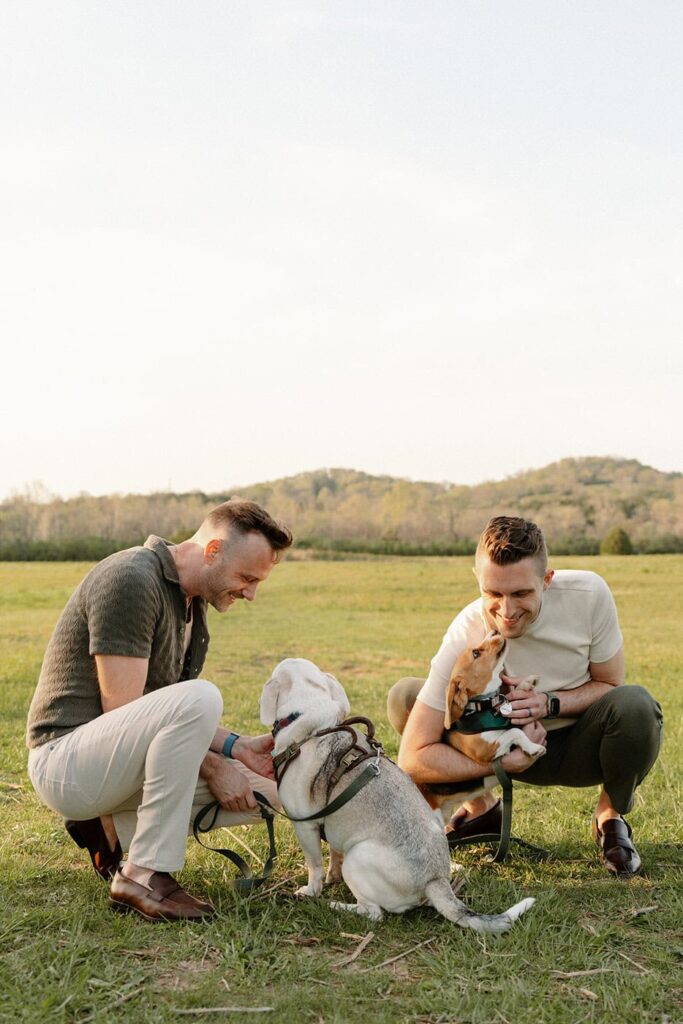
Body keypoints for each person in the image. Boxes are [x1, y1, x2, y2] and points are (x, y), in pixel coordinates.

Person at [26, 499, 292, 920]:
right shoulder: (132, 578)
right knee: (202, 696)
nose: (251, 593)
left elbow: (165, 714)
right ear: (212, 551)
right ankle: (144, 874)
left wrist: (238, 749)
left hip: (115, 763)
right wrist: (211, 765)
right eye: (246, 577)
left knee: (277, 789)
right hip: (66, 762)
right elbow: (125, 711)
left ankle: (115, 829)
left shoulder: (192, 605)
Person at [388, 516, 662, 877]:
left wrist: (548, 702)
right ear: (478, 581)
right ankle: (481, 809)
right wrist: (498, 765)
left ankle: (609, 817)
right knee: (407, 695)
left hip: (578, 745)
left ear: (547, 581)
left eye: (521, 593)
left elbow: (610, 684)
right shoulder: (467, 629)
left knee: (636, 706)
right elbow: (412, 758)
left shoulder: (589, 594)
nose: (506, 610)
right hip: (498, 745)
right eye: (493, 593)